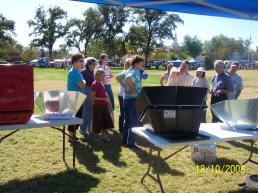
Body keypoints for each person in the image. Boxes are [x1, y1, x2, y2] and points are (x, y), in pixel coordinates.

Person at [117, 55, 144, 148]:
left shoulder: (128, 69)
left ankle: (125, 140)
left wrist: (125, 87)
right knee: (133, 121)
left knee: (127, 121)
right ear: (136, 64)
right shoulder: (134, 71)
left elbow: (118, 77)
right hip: (133, 99)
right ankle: (131, 142)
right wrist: (132, 87)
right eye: (141, 65)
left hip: (126, 99)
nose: (142, 67)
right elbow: (128, 79)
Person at [67, 53, 86, 141]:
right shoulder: (73, 72)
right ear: (74, 62)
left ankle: (73, 135)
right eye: (80, 61)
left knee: (78, 117)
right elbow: (82, 85)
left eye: (83, 61)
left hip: (79, 97)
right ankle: (71, 137)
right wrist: (84, 81)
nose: (82, 63)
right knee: (73, 118)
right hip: (74, 97)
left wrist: (83, 82)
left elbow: (82, 83)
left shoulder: (77, 71)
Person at [91, 68, 114, 142]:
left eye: (104, 76)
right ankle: (95, 137)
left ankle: (104, 135)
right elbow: (93, 97)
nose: (104, 77)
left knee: (105, 120)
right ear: (97, 76)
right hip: (97, 106)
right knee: (97, 121)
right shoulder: (94, 84)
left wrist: (106, 97)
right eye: (102, 76)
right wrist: (103, 99)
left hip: (104, 105)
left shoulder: (101, 83)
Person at [80, 57, 97, 137]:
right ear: (89, 64)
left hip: (92, 92)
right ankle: (83, 129)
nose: (95, 65)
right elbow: (82, 83)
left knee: (90, 111)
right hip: (86, 92)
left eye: (95, 64)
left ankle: (88, 128)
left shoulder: (93, 71)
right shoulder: (84, 71)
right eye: (93, 64)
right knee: (86, 111)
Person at [117, 58, 132, 133]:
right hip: (122, 95)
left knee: (126, 112)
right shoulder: (125, 73)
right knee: (123, 112)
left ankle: (125, 127)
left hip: (127, 95)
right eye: (129, 65)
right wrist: (124, 86)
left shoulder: (129, 72)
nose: (130, 66)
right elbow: (118, 78)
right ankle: (121, 128)